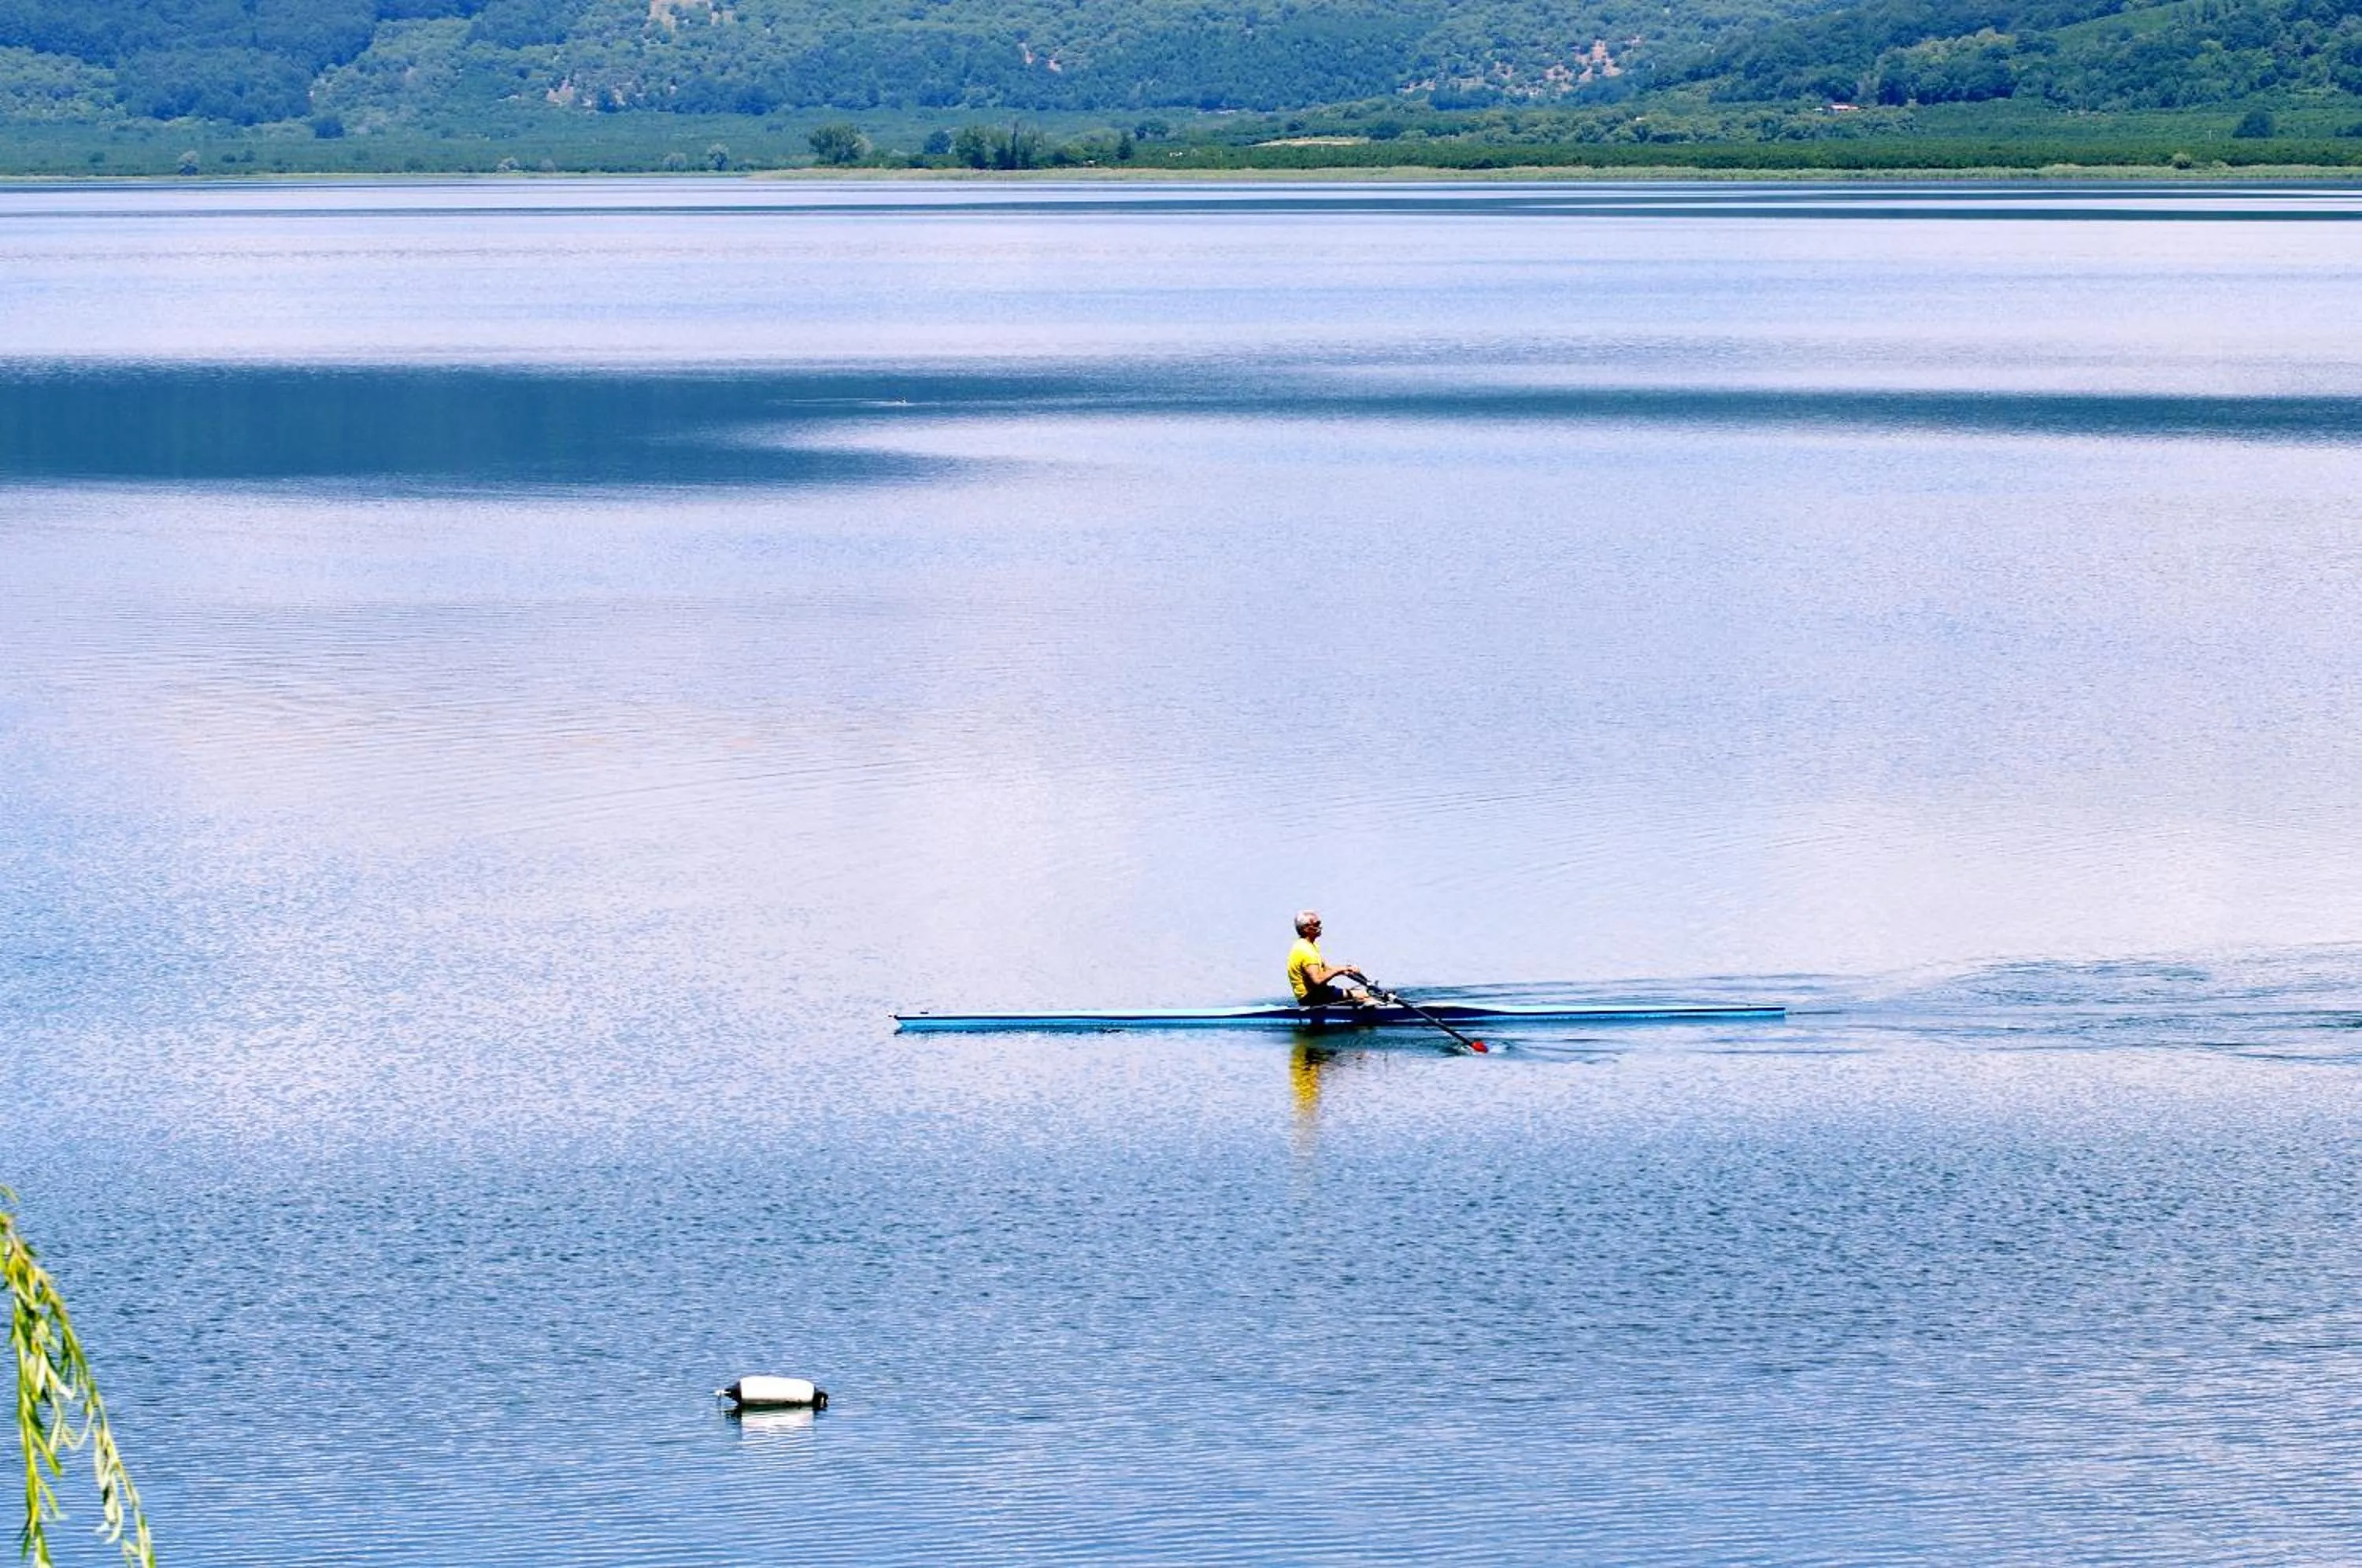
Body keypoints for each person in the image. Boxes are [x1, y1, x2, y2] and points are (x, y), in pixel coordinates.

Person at [1286, 910, 1377, 1009]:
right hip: (1312, 997)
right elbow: (1318, 980)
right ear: (1306, 929)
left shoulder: (1309, 945)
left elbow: (1325, 968)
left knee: (1356, 995)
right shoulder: (1306, 951)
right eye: (1316, 924)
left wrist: (1346, 969)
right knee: (1365, 996)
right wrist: (1339, 970)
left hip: (1319, 993)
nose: (1320, 927)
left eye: (1320, 923)